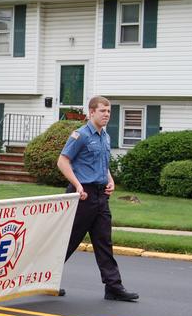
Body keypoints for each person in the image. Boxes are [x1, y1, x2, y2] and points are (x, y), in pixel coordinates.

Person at [57, 96, 139, 302]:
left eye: (109, 111)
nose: (107, 115)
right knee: (68, 242)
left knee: (104, 241)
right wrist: (77, 185)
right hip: (82, 196)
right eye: (103, 111)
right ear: (91, 112)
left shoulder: (105, 136)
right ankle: (43, 280)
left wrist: (109, 180)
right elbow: (63, 161)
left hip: (101, 196)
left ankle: (113, 287)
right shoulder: (81, 135)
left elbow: (102, 163)